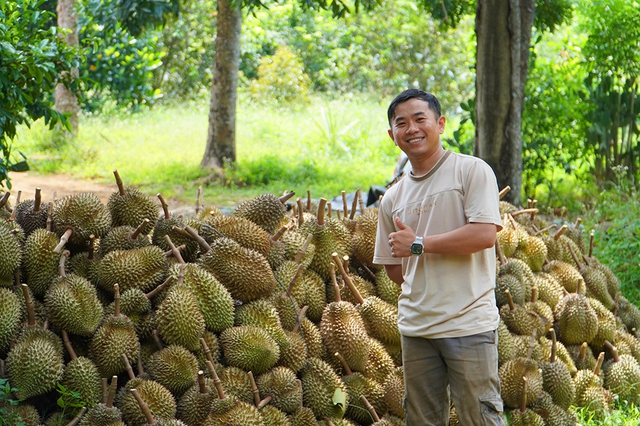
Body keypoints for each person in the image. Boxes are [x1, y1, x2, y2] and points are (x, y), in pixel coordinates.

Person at [373, 89, 505, 425]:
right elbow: (393, 267)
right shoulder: (392, 198)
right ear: (392, 136)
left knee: (481, 417)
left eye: (420, 119)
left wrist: (418, 245)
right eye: (401, 123)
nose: (412, 129)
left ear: (440, 123)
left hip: (468, 324)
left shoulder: (471, 171)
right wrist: (425, 285)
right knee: (422, 420)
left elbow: (484, 234)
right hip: (417, 329)